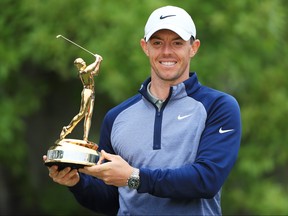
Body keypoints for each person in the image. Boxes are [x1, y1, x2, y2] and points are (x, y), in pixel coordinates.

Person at [44, 5, 241, 215]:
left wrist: (134, 177)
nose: (166, 52)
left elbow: (206, 180)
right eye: (157, 43)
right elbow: (111, 200)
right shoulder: (117, 117)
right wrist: (76, 183)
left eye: (177, 43)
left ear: (194, 47)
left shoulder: (218, 106)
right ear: (145, 47)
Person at [59, 54, 102, 142]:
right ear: (79, 65)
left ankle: (85, 137)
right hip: (86, 92)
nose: (84, 62)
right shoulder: (83, 72)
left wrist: (99, 62)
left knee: (88, 115)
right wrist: (96, 60)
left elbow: (96, 72)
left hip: (92, 92)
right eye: (82, 62)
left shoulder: (88, 71)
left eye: (83, 61)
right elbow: (89, 69)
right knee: (82, 113)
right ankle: (67, 129)